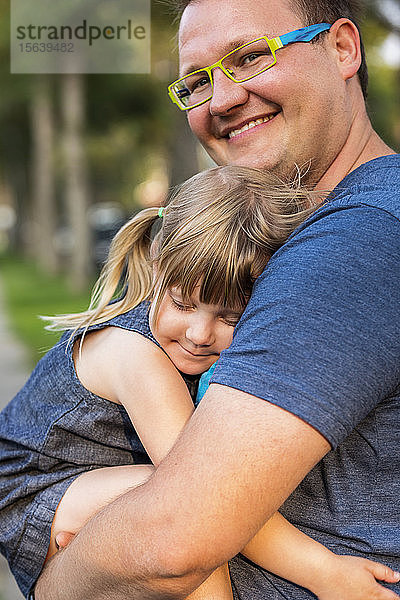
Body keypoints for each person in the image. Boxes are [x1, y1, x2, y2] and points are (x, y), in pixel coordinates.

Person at [31, 0, 400, 598]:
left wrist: (53, 587)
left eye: (252, 56)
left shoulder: (361, 233)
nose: (221, 98)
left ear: (343, 49)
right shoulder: (288, 240)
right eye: (196, 81)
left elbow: (170, 541)